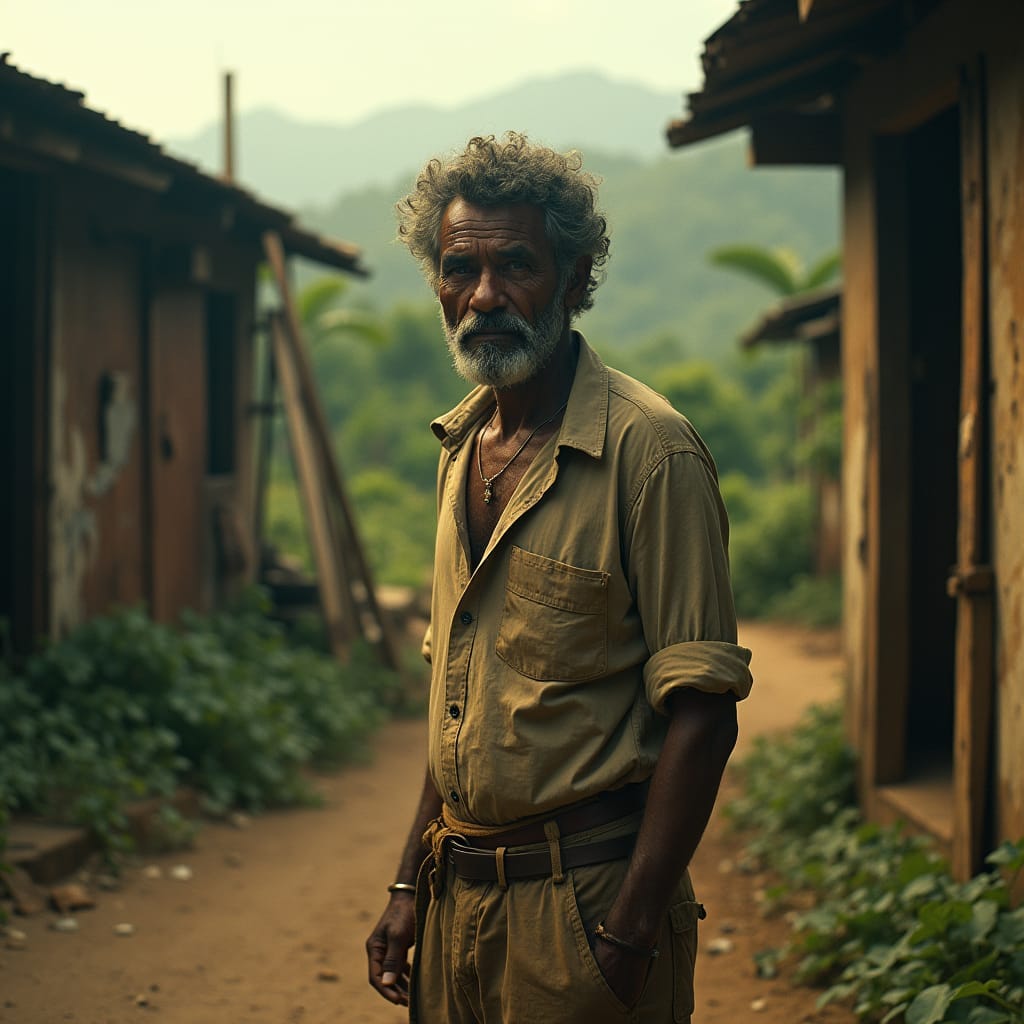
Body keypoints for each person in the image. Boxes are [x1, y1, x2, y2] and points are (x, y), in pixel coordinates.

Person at [365, 132, 753, 1023]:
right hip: (456, 904)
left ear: (574, 280)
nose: (485, 296)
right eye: (460, 269)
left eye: (516, 266)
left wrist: (627, 936)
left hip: (585, 912)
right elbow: (459, 704)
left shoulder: (651, 453)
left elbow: (704, 714)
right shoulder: (460, 449)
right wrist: (409, 882)